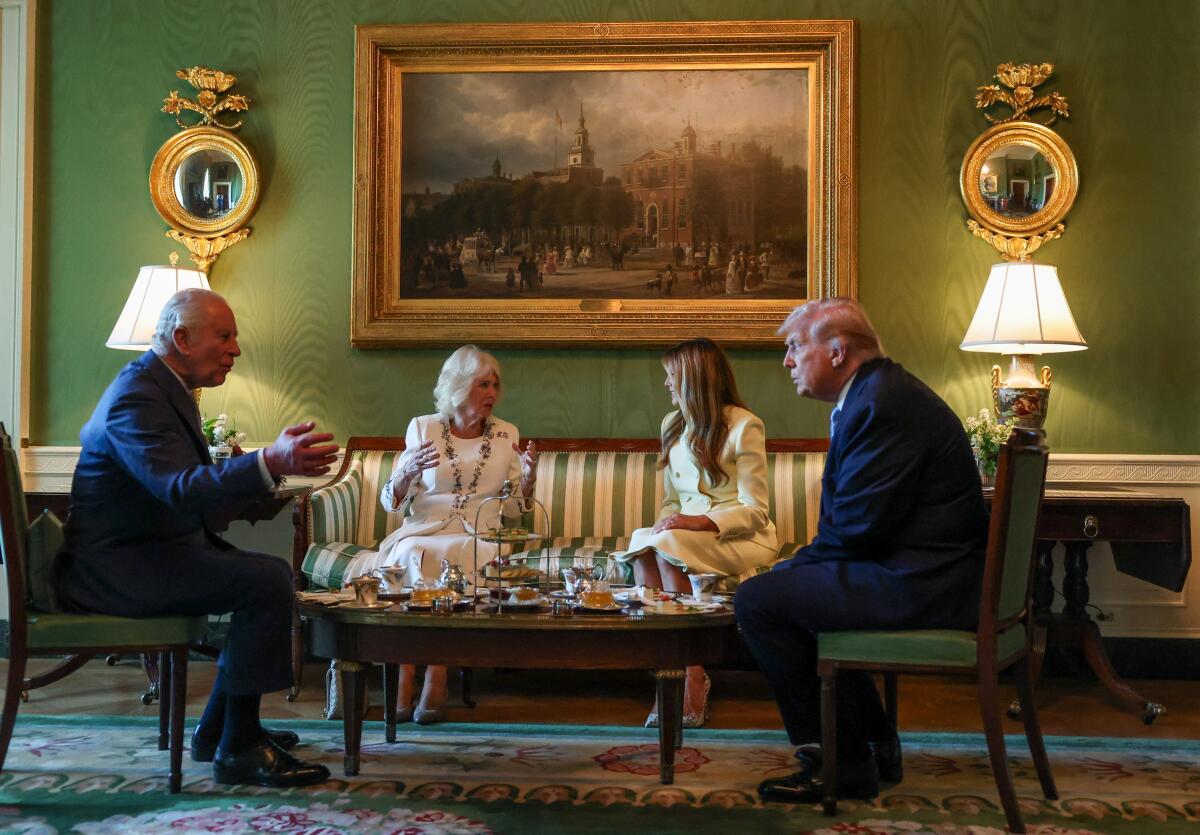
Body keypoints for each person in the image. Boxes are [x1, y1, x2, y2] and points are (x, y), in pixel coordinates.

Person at [59, 288, 340, 788]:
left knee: (263, 576)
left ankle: (219, 732)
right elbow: (179, 488)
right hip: (117, 570)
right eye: (225, 336)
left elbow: (184, 487)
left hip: (147, 555)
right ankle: (239, 746)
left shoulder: (163, 388)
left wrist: (262, 470)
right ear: (182, 338)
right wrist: (268, 462)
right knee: (264, 580)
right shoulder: (137, 397)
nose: (236, 349)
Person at [734, 298, 988, 804]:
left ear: (836, 350)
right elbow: (861, 525)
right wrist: (798, 570)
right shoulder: (878, 394)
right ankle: (872, 740)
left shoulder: (880, 404)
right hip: (923, 571)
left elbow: (853, 530)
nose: (787, 361)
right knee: (788, 592)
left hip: (924, 584)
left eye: (794, 347)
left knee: (758, 601)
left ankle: (841, 761)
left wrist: (788, 569)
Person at [351, 345, 537, 723]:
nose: (492, 393)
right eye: (483, 384)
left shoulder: (507, 433)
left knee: (462, 552)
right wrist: (404, 473)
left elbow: (516, 509)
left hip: (479, 533)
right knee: (409, 555)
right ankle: (403, 672)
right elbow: (393, 502)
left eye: (495, 385)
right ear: (459, 386)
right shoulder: (423, 427)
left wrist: (530, 481)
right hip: (422, 529)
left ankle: (437, 673)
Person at [616, 338, 777, 729]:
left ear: (693, 379)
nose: (667, 385)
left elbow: (756, 511)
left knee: (668, 545)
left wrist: (699, 523)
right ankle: (670, 671)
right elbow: (672, 502)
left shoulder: (744, 425)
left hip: (739, 538)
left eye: (671, 377)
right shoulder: (672, 425)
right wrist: (665, 523)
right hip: (684, 536)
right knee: (646, 543)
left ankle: (690, 676)